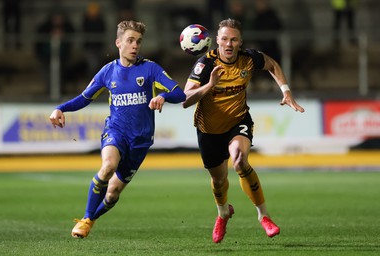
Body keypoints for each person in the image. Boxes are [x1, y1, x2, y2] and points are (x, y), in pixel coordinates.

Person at [49, 20, 186, 239]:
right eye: (130, 41)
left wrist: (163, 95)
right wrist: (60, 108)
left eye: (138, 41)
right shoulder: (108, 72)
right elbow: (85, 98)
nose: (135, 46)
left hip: (140, 141)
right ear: (118, 43)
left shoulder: (150, 69)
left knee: (112, 194)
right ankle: (85, 217)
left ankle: (91, 220)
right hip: (116, 131)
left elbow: (180, 94)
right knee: (108, 167)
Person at [182, 18, 305, 243]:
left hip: (238, 121)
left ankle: (263, 216)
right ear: (216, 41)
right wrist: (210, 85)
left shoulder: (249, 58)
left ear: (240, 42)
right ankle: (223, 213)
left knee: (239, 160)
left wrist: (285, 91)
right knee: (219, 181)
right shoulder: (205, 64)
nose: (229, 44)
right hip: (209, 129)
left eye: (234, 39)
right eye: (225, 39)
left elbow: (273, 65)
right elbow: (185, 100)